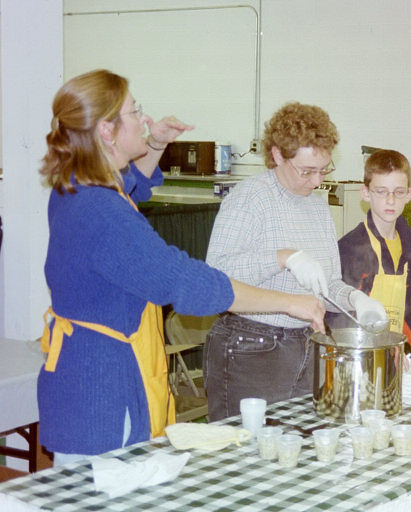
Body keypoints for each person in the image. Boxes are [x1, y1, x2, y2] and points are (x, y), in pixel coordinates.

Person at [37, 70, 325, 465]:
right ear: (107, 130)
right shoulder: (99, 210)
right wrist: (289, 303)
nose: (144, 118)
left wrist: (153, 144)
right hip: (101, 393)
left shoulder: (78, 185)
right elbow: (187, 282)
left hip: (84, 378)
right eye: (135, 111)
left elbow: (131, 188)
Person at [204, 102, 386, 419]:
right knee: (248, 454)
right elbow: (215, 276)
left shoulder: (317, 208)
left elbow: (325, 284)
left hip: (304, 345)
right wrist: (283, 257)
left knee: (295, 452)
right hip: (251, 347)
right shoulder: (249, 198)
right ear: (277, 155)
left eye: (323, 169)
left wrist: (356, 299)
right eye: (307, 171)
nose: (317, 181)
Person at [334, 149, 411, 370]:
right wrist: (380, 350)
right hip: (356, 359)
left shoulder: (410, 244)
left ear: (409, 195)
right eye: (381, 192)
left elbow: (404, 307)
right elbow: (341, 318)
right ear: (365, 193)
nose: (390, 200)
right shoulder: (352, 247)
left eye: (398, 192)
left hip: (391, 356)